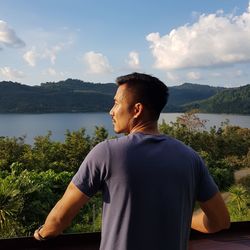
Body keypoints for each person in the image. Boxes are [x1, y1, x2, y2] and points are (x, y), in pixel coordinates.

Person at [34, 72, 230, 250]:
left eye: (116, 103)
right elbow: (220, 221)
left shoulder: (107, 153)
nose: (111, 111)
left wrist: (41, 234)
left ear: (136, 109)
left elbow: (60, 218)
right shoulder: (190, 157)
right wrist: (182, 220)